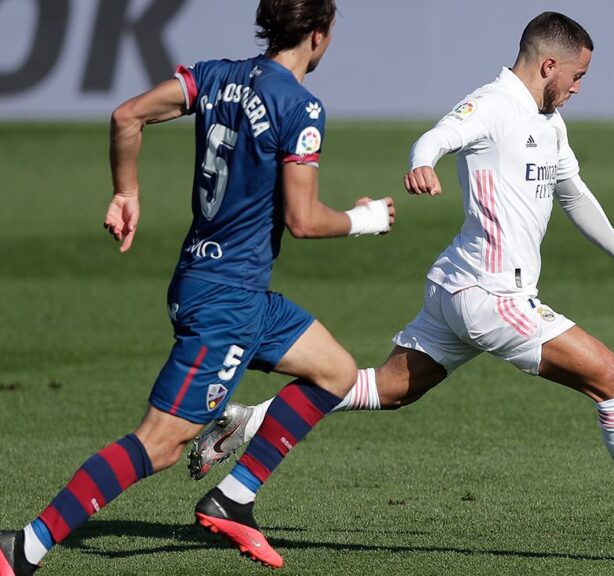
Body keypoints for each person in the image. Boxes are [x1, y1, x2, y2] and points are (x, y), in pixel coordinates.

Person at [190, 10, 614, 546]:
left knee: (389, 388)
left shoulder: (549, 121)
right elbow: (437, 136)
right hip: (492, 295)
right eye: (578, 76)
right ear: (548, 65)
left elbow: (573, 194)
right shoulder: (494, 104)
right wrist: (422, 163)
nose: (579, 88)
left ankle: (249, 420)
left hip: (457, 287)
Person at [0, 1, 395, 573]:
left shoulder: (215, 76)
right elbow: (304, 220)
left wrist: (126, 191)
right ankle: (24, 547)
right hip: (225, 303)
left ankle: (233, 499)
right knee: (160, 442)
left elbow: (126, 115)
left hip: (224, 285)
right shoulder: (300, 106)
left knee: (333, 370)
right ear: (318, 34)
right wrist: (365, 220)